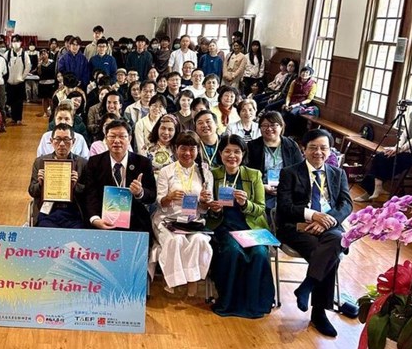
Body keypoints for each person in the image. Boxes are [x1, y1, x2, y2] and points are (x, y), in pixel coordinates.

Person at [276, 129, 353, 337]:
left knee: (337, 240)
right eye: (313, 148)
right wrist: (313, 215)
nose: (318, 152)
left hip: (329, 227)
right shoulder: (290, 172)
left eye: (323, 148)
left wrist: (327, 221)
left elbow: (346, 204)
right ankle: (319, 313)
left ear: (330, 151)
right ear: (304, 149)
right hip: (298, 226)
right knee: (328, 254)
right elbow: (284, 206)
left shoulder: (338, 173)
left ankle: (307, 285)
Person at [206, 134, 274, 318]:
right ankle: (228, 302)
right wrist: (214, 209)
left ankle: (255, 304)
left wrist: (245, 204)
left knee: (259, 253)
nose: (232, 156)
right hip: (224, 227)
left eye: (237, 151)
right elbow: (208, 210)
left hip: (250, 228)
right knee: (232, 251)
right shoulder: (213, 174)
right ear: (220, 153)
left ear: (243, 154)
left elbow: (260, 209)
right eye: (227, 151)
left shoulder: (254, 175)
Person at [151, 131, 214, 296]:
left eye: (192, 149)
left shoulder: (205, 173)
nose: (187, 153)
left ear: (197, 150)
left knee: (200, 240)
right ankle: (173, 280)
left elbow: (205, 208)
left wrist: (204, 201)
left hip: (192, 221)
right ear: (176, 149)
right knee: (176, 240)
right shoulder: (166, 171)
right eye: (183, 149)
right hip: (168, 220)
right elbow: (159, 202)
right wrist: (169, 197)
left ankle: (193, 280)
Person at [80, 119, 157, 239]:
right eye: (112, 136)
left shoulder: (143, 163)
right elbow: (90, 194)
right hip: (103, 217)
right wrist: (95, 219)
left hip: (134, 218)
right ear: (106, 139)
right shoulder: (95, 162)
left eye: (122, 136)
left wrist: (140, 193)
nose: (116, 141)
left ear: (129, 139)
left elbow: (152, 195)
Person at [355, 96, 412, 202]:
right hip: (405, 149)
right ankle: (376, 187)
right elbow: (405, 133)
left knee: (389, 163)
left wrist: (400, 149)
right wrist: (397, 147)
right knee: (380, 156)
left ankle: (374, 190)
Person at [28, 123, 88, 228]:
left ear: (73, 142)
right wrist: (40, 184)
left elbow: (89, 193)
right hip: (47, 211)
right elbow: (32, 191)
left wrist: (75, 185)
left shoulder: (82, 163)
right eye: (58, 139)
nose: (62, 144)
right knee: (47, 232)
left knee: (77, 234)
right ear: (51, 141)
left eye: (66, 139)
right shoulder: (40, 162)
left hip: (74, 212)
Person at [247, 111, 304, 211]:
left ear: (281, 126)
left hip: (287, 190)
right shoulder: (252, 146)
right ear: (260, 128)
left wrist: (287, 186)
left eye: (273, 125)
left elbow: (300, 170)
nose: (269, 129)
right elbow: (247, 172)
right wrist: (262, 186)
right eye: (265, 125)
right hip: (260, 189)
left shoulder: (291, 145)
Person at [6, 34, 32, 125]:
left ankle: (19, 119)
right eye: (13, 41)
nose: (15, 43)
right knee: (11, 100)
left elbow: (28, 66)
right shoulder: (7, 53)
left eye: (17, 41)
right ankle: (13, 118)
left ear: (20, 42)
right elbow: (4, 65)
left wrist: (22, 77)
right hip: (9, 81)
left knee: (19, 101)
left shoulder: (24, 54)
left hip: (20, 82)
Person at [37, 49, 57, 117]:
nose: (43, 55)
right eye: (42, 54)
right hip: (42, 83)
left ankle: (52, 112)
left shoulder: (52, 62)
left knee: (51, 99)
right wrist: (39, 66)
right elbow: (39, 73)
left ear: (48, 54)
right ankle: (45, 112)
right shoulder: (39, 64)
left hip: (51, 83)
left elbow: (55, 72)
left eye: (45, 54)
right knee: (44, 99)